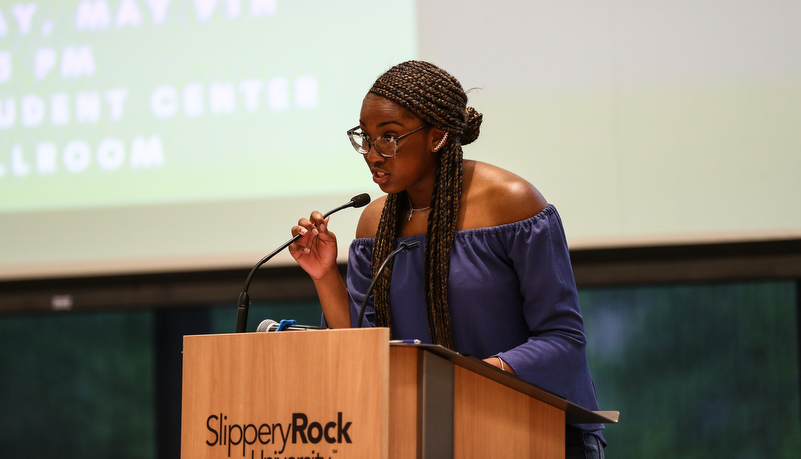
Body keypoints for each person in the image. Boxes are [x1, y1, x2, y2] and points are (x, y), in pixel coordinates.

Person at [289, 60, 605, 458]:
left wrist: (477, 375)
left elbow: (563, 339)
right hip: (431, 437)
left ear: (437, 136)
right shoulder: (374, 223)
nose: (372, 154)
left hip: (537, 433)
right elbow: (364, 349)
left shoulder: (512, 203)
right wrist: (324, 276)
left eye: (389, 137)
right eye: (364, 138)